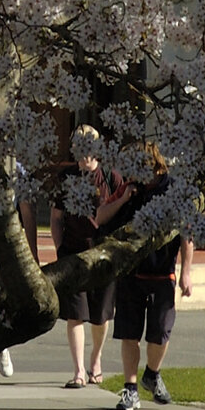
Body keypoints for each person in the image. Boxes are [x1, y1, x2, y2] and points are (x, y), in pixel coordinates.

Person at [101, 149, 194, 410]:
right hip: (131, 273)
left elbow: (187, 233)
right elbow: (101, 216)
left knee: (160, 334)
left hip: (162, 273)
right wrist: (123, 199)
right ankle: (130, 389)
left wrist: (186, 272)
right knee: (129, 334)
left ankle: (152, 374)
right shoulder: (130, 189)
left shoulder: (174, 190)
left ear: (156, 167)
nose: (135, 175)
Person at [51, 131, 128, 387]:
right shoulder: (66, 178)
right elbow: (56, 217)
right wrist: (59, 246)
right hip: (73, 254)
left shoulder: (111, 178)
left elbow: (123, 216)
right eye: (77, 147)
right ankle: (79, 371)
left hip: (103, 256)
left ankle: (96, 360)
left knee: (100, 317)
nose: (82, 154)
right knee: (75, 315)